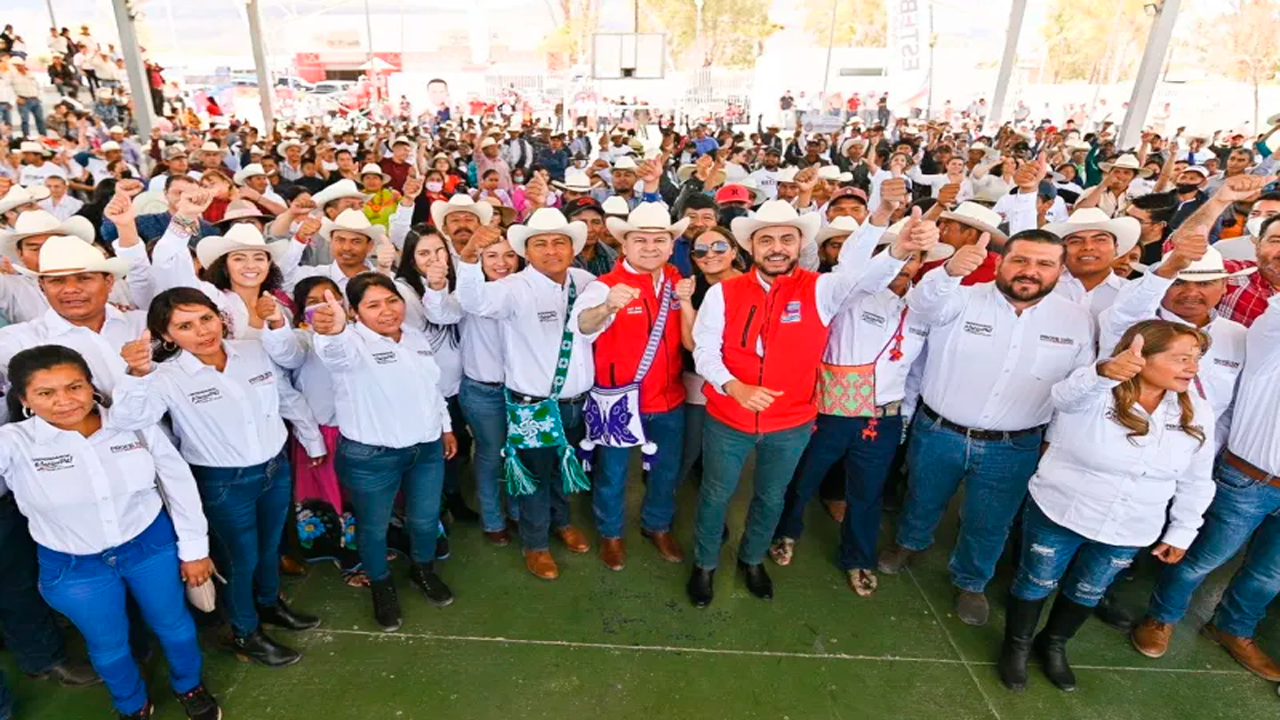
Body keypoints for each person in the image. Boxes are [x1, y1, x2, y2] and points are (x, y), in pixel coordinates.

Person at [686, 192, 929, 608]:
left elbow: (860, 276)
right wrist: (733, 386)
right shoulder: (724, 293)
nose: (777, 248)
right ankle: (705, 564)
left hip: (791, 422)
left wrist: (891, 242)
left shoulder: (822, 290)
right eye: (767, 240)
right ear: (750, 246)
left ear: (801, 246)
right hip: (729, 415)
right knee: (715, 493)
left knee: (771, 495)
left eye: (787, 239)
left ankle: (753, 558)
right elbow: (704, 350)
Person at [878, 227, 1096, 627]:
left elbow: (1078, 389)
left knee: (990, 520)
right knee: (923, 497)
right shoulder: (959, 297)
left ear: (1060, 271)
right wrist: (947, 270)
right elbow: (921, 306)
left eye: (1044, 264)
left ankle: (971, 580)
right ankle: (909, 543)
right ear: (1000, 261)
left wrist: (1054, 443)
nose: (1029, 271)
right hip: (939, 430)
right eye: (1020, 260)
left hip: (1013, 446)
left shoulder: (1077, 320)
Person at [0, 345, 222, 720]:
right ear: (24, 400)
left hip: (150, 547)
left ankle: (189, 685)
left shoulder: (132, 423)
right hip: (74, 567)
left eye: (75, 387)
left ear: (92, 387)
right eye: (45, 393)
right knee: (108, 646)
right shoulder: (13, 443)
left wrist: (195, 549)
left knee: (175, 627)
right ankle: (131, 705)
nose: (65, 401)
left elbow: (177, 484)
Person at [113, 287, 326, 667]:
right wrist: (136, 375)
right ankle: (246, 631)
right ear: (167, 336)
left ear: (220, 317)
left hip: (274, 469)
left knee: (269, 547)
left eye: (206, 318)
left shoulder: (252, 351)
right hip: (224, 484)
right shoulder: (164, 378)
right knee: (240, 560)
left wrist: (310, 439)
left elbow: (284, 396)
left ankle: (269, 604)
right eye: (185, 325)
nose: (202, 331)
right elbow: (128, 421)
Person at [999, 320, 1215, 693]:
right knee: (1036, 579)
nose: (1192, 368)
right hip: (1061, 510)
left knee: (1089, 588)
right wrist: (1102, 373)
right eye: (1181, 358)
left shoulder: (1196, 411)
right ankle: (1015, 646)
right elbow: (1064, 398)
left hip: (1131, 524)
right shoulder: (1098, 391)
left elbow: (1196, 479)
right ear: (1141, 357)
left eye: (1196, 359)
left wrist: (1183, 530)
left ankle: (1053, 644)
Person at [769, 216, 952, 596]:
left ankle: (857, 557)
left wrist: (903, 418)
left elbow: (915, 372)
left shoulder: (923, 311)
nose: (905, 264)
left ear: (922, 263)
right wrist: (880, 218)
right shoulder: (852, 294)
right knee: (803, 479)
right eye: (899, 254)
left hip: (882, 417)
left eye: (914, 257)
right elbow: (852, 266)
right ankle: (785, 532)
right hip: (830, 410)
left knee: (866, 493)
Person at [1129, 292, 1280, 680]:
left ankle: (1233, 629)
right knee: (1203, 559)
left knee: (1271, 573)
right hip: (1250, 477)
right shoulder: (1271, 338)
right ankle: (1162, 618)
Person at [301, 273, 458, 632]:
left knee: (423, 518)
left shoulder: (415, 337)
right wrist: (334, 331)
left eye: (392, 301)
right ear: (353, 312)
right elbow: (335, 354)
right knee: (372, 529)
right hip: (372, 457)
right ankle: (382, 585)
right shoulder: (350, 342)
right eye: (372, 305)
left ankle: (423, 569)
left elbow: (431, 389)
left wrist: (445, 426)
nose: (387, 311)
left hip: (426, 448)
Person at [454, 209, 595, 580]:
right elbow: (473, 301)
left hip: (577, 403)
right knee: (533, 479)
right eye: (540, 244)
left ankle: (562, 523)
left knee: (563, 470)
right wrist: (469, 258)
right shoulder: (512, 289)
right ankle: (536, 545)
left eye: (559, 242)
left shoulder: (584, 280)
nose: (551, 250)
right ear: (526, 252)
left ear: (572, 247)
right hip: (534, 406)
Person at [572, 203, 689, 569]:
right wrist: (607, 307)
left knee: (667, 469)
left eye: (659, 240)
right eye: (641, 240)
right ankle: (611, 533)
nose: (650, 247)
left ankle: (657, 525)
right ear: (624, 245)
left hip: (669, 396)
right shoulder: (604, 286)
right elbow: (583, 326)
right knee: (613, 473)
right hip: (617, 399)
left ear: (671, 246)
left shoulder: (675, 279)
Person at [424, 235, 523, 544]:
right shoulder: (468, 296)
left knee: (520, 455)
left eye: (509, 255)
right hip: (483, 391)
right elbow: (440, 313)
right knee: (491, 455)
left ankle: (520, 513)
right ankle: (494, 520)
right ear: (479, 261)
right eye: (492, 255)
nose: (502, 263)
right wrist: (437, 287)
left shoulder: (525, 291)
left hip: (523, 392)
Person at [0, 233, 148, 407]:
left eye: (84, 278)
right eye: (57, 281)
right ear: (42, 286)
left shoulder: (144, 324)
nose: (70, 289)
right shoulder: (18, 341)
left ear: (108, 281)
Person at [393, 229, 477, 523]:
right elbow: (440, 320)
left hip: (461, 383)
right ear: (411, 259)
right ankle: (442, 505)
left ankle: (454, 495)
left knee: (459, 446)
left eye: (439, 250)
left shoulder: (459, 283)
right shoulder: (402, 290)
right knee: (437, 450)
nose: (433, 258)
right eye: (424, 253)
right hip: (429, 387)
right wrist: (437, 287)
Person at [137, 188, 293, 339]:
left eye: (259, 258)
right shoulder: (209, 297)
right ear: (224, 265)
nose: (250, 265)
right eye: (239, 258)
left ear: (269, 264)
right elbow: (167, 264)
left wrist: (277, 322)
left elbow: (293, 359)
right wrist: (185, 216)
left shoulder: (278, 305)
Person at [675, 226, 744, 487]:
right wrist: (685, 302)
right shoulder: (692, 287)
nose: (710, 254)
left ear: (734, 251)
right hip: (699, 380)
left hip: (741, 381)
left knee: (724, 454)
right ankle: (664, 508)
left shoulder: (754, 285)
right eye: (701, 250)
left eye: (719, 247)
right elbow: (692, 344)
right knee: (689, 447)